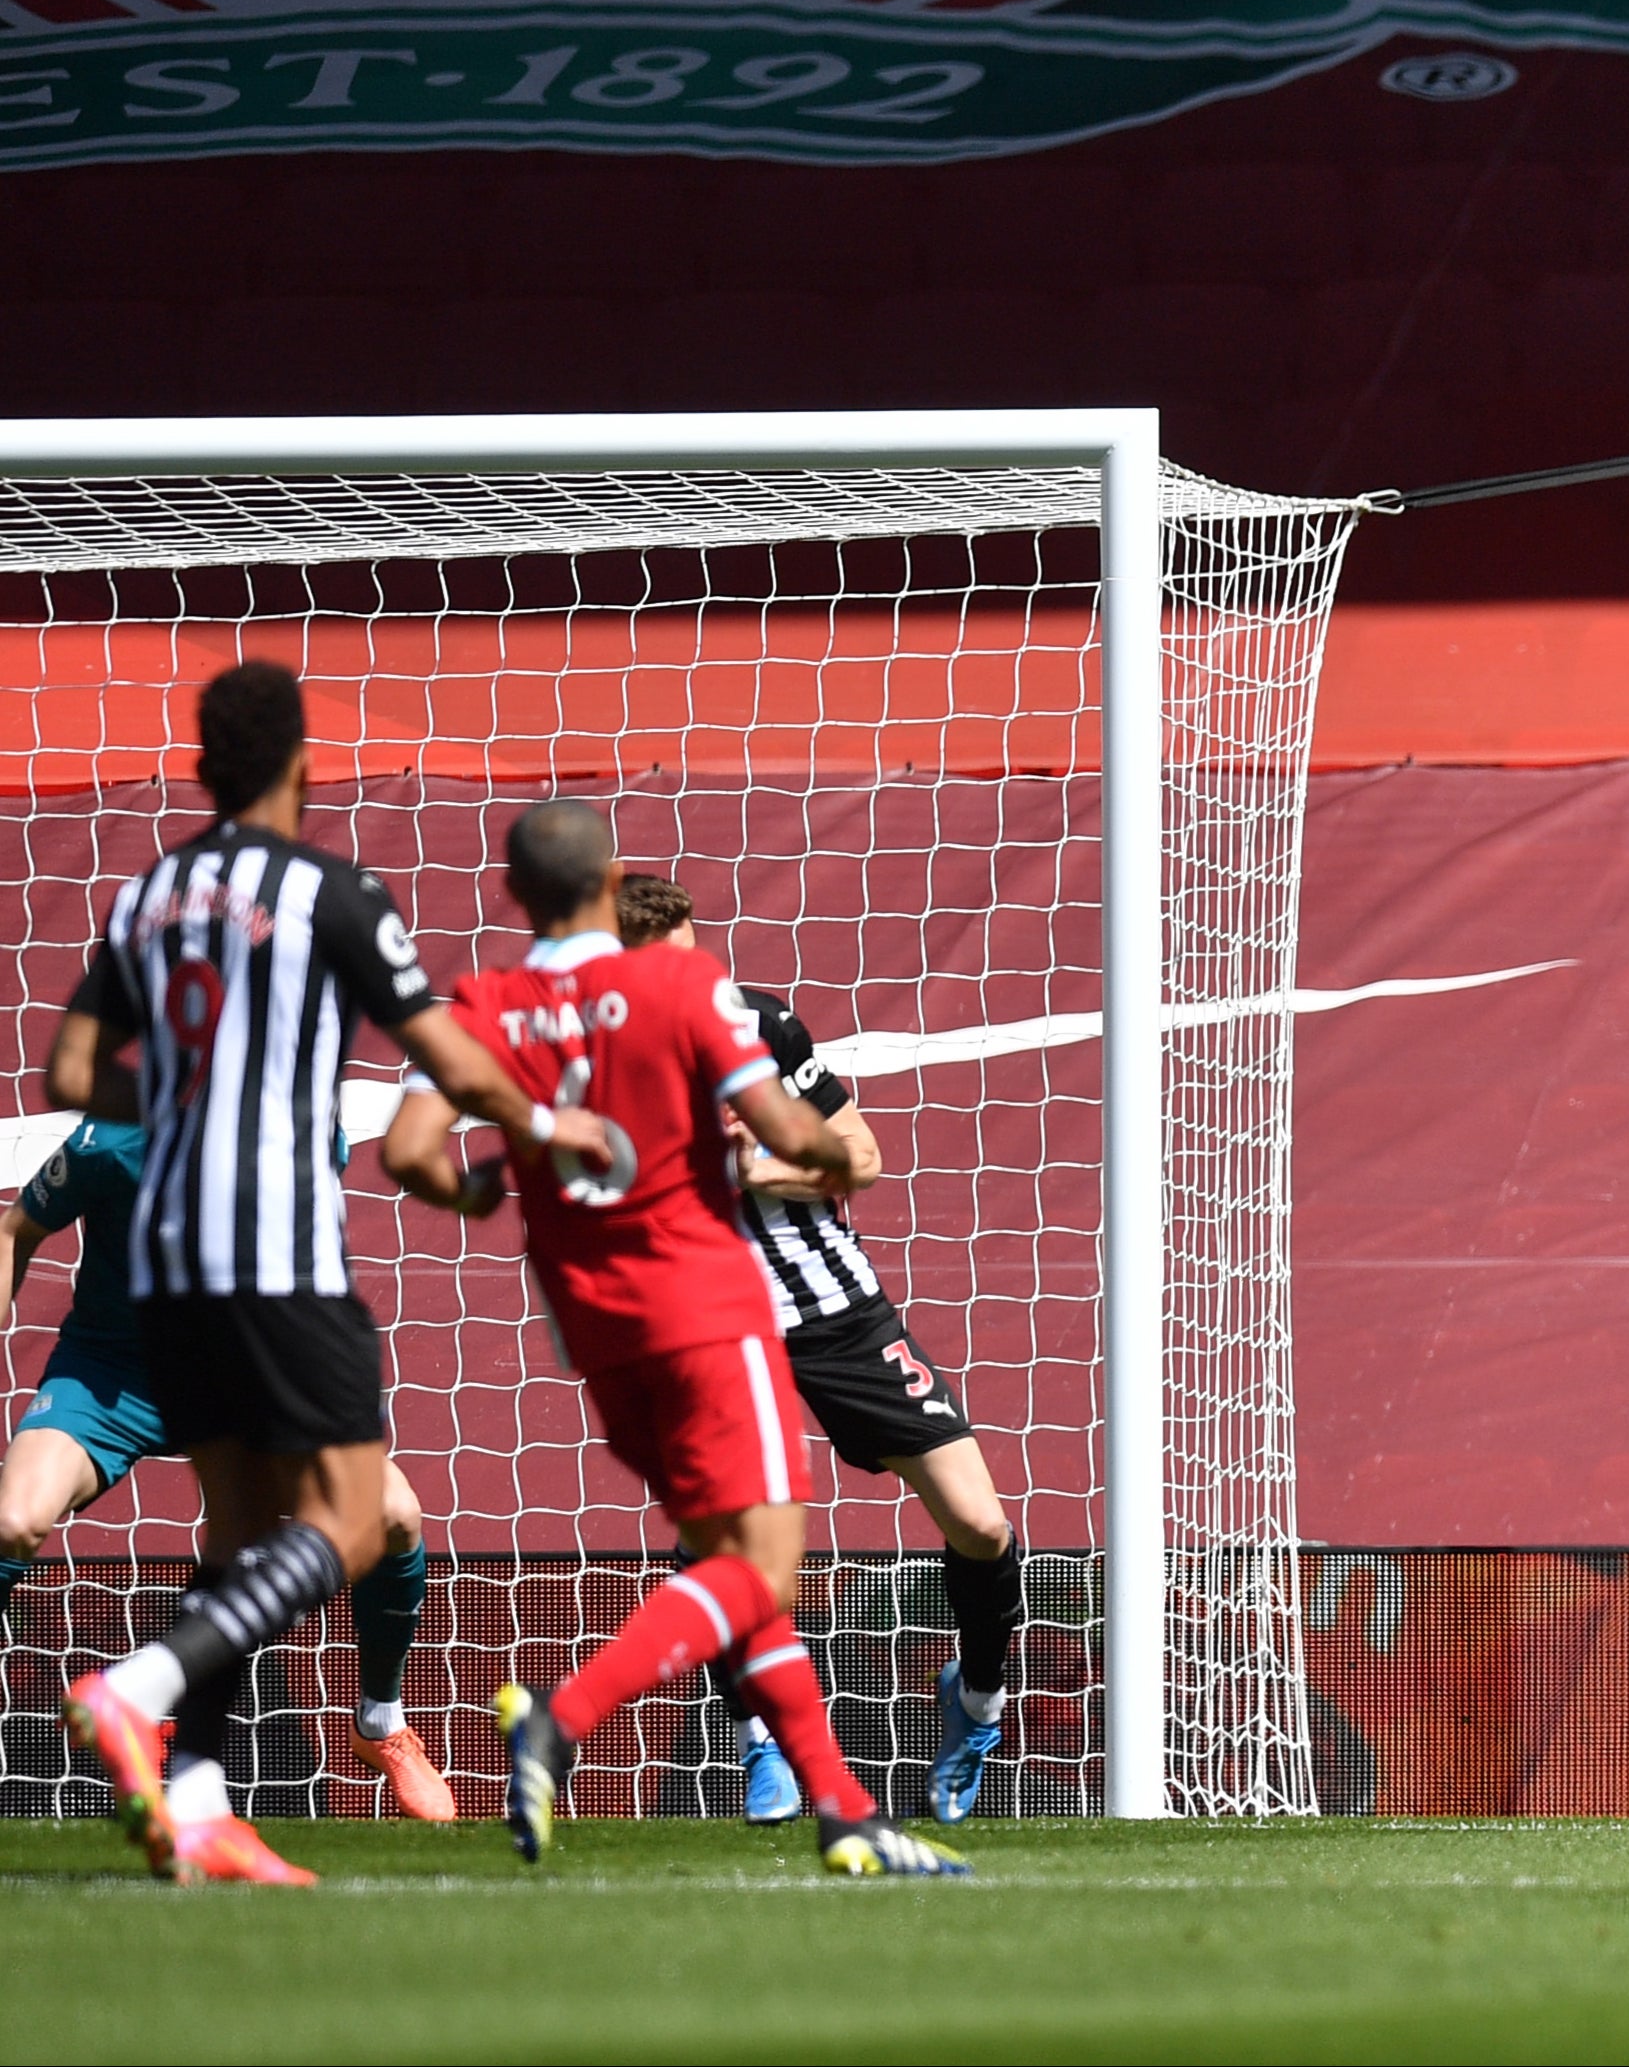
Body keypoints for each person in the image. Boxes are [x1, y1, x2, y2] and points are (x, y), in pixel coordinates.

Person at [52, 659, 612, 1886]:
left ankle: (196, 1805)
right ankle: (136, 1688)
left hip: (159, 1265)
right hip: (276, 1251)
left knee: (239, 1530)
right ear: (305, 763)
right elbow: (450, 1062)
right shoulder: (329, 891)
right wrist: (547, 1128)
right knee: (353, 1522)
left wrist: (191, 1100)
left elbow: (75, 1071)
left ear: (203, 768)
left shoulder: (148, 897)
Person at [382, 801, 965, 1878]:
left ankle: (841, 1809)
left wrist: (474, 1191)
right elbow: (795, 1131)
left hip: (595, 1329)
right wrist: (827, 1166)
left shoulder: (482, 1004)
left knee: (731, 1563)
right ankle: (560, 1718)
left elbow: (409, 1152)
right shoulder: (683, 985)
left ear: (517, 895)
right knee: (759, 1569)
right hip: (705, 1305)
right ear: (611, 882)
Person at [614, 873, 1024, 1824]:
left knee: (980, 1524)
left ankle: (975, 1707)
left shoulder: (761, 1025)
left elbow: (863, 1156)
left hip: (838, 1312)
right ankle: (765, 1744)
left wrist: (759, 1158)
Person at [0, 1115, 455, 1821]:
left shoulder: (301, 1127)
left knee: (393, 1513)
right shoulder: (116, 1138)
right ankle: (165, 1732)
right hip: (115, 1373)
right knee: (11, 1522)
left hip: (247, 1375)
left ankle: (381, 1721)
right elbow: (14, 1230)